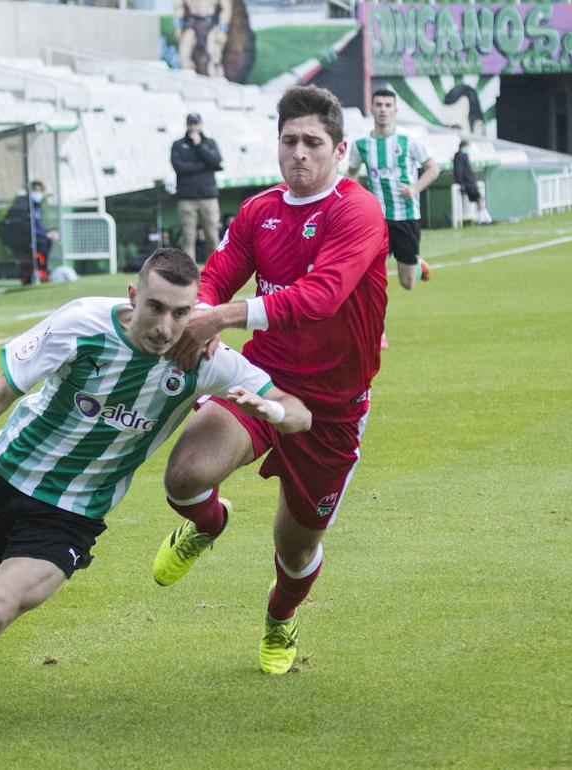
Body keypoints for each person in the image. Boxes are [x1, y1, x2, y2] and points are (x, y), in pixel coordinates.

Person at [0, 248, 311, 743]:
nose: (167, 327)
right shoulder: (82, 322)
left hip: (73, 514)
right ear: (134, 295)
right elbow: (1, 391)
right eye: (156, 308)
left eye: (181, 313)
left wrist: (273, 412)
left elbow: (300, 412)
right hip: (7, 477)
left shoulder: (202, 361)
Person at [154, 85, 388, 675]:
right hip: (261, 379)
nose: (300, 154)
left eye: (313, 142)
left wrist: (223, 315)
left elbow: (322, 296)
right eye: (290, 141)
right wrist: (204, 311)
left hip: (332, 409)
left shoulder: (356, 210)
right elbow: (218, 273)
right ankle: (210, 524)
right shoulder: (260, 211)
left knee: (297, 547)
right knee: (184, 478)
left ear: (340, 148)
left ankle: (280, 620)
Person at [348, 84, 440, 291]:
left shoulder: (409, 141)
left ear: (395, 111)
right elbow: (351, 174)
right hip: (376, 217)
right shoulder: (361, 145)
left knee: (407, 283)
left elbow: (432, 169)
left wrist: (415, 188)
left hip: (406, 215)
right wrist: (352, 200)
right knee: (366, 273)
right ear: (371, 109)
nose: (383, 109)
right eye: (378, 105)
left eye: (388, 105)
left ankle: (416, 261)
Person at [170, 113, 223, 262]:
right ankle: (189, 274)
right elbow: (179, 168)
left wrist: (199, 145)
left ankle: (215, 270)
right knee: (188, 238)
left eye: (196, 123)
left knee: (212, 236)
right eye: (191, 123)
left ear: (200, 125)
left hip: (208, 197)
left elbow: (216, 163)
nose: (193, 126)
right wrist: (203, 166)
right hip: (186, 198)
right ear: (187, 125)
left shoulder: (209, 143)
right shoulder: (178, 145)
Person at [0, 181, 57, 285]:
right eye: (36, 190)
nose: (38, 193)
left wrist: (48, 232)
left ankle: (42, 271)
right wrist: (45, 234)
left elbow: (38, 225)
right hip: (22, 239)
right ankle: (33, 273)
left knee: (46, 241)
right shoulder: (22, 205)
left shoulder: (36, 206)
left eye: (40, 191)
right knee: (41, 243)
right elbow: (24, 227)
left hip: (35, 237)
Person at [173, 0, 231, 78]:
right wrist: (178, 27)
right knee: (184, 55)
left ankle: (218, 79)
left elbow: (226, 8)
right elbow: (178, 7)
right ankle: (188, 79)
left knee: (215, 57)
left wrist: (223, 30)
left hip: (210, 23)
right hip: (192, 23)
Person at [453, 140, 493, 225]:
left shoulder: (464, 155)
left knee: (479, 198)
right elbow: (458, 170)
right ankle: (483, 218)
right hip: (467, 182)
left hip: (470, 181)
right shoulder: (459, 156)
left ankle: (483, 217)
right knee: (478, 198)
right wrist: (461, 183)